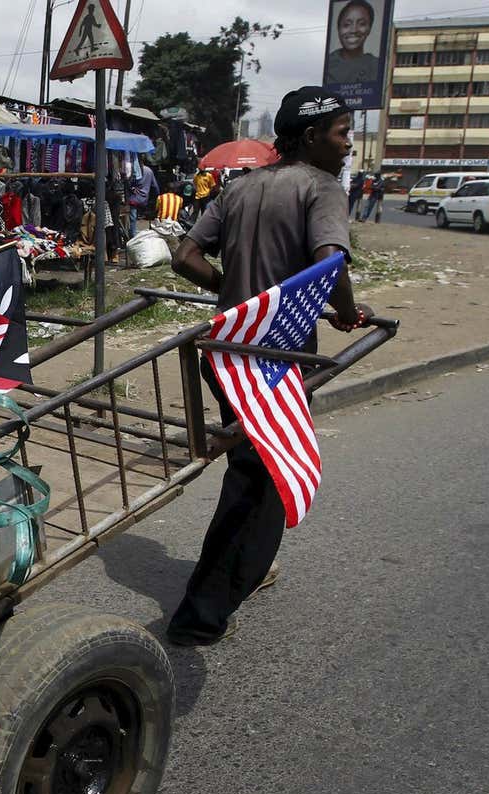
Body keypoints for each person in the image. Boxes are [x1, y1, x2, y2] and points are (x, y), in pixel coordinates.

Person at [164, 86, 374, 646]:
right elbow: (331, 261)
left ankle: (245, 574)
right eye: (341, 133)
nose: (348, 144)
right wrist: (349, 314)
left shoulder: (239, 187)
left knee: (253, 468)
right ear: (310, 137)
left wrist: (234, 295)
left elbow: (183, 255)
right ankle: (201, 616)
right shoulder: (322, 188)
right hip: (277, 359)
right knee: (263, 481)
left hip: (224, 351)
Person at [325, 0, 381, 86]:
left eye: (362, 24)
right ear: (338, 28)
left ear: (369, 28)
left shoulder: (376, 65)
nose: (354, 30)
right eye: (347, 25)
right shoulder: (328, 65)